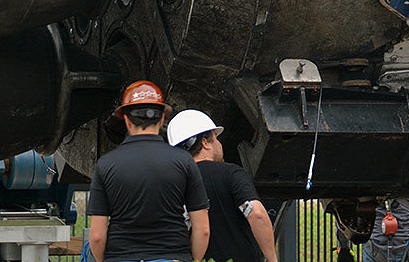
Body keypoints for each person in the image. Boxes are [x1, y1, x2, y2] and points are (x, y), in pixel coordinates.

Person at [87, 81, 211, 262]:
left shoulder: (106, 165)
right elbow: (203, 230)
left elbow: (97, 236)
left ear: (127, 121)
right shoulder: (184, 161)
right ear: (161, 119)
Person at [167, 109, 278, 262]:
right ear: (205, 142)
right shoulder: (232, 174)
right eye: (216, 137)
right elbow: (256, 214)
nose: (219, 143)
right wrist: (272, 259)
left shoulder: (173, 183)